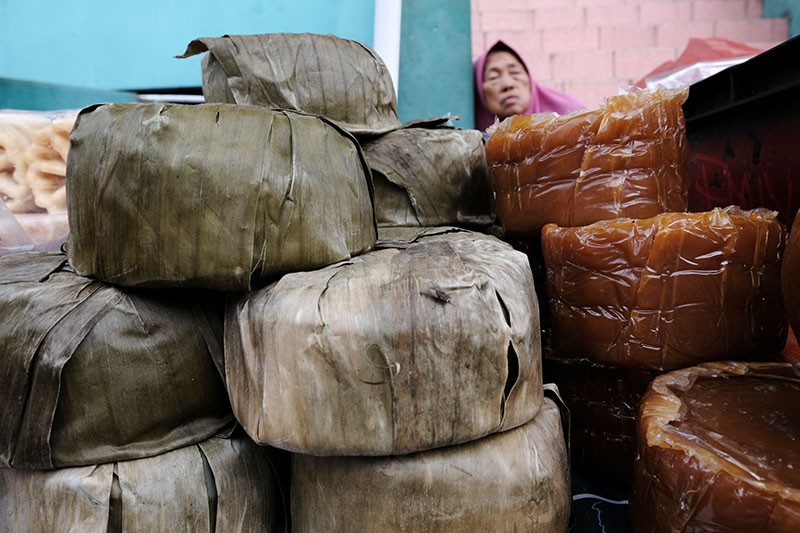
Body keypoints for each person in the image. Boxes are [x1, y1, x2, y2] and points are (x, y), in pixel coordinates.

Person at [473, 40, 584, 131]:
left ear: (529, 78)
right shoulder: (469, 144)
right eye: (493, 77)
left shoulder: (571, 117)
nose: (508, 84)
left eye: (515, 72)